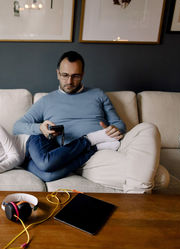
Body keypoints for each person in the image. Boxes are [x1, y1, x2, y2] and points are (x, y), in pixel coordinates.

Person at [13, 51, 169, 193]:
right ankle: (138, 202)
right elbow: (18, 127)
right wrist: (40, 128)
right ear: (57, 74)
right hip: (90, 155)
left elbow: (119, 124)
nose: (70, 81)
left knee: (148, 128)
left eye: (76, 76)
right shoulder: (46, 101)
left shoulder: (97, 94)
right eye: (65, 75)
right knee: (161, 177)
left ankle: (136, 197)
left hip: (113, 142)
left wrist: (114, 128)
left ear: (82, 75)